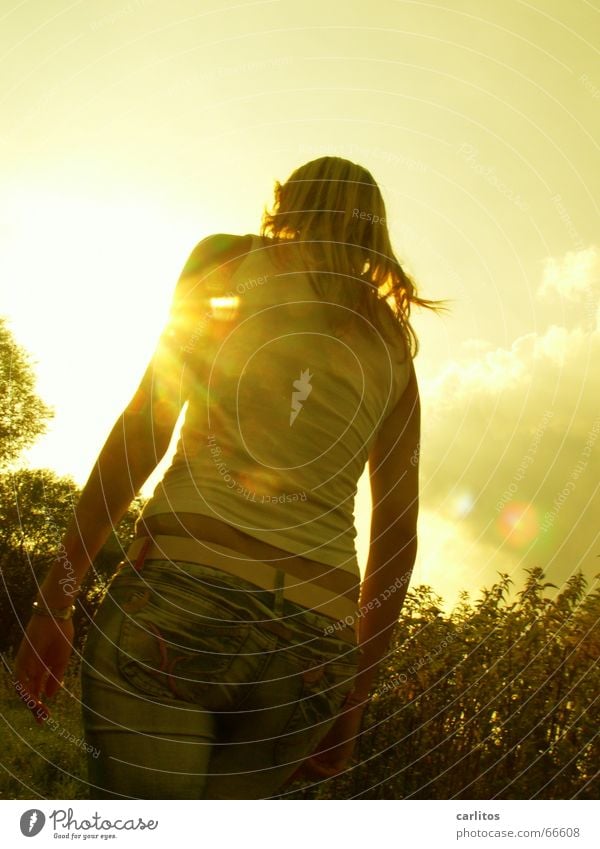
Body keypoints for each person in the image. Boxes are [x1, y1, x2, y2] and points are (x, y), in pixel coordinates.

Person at [14, 156, 439, 799]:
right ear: (374, 234)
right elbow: (398, 533)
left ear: (284, 206)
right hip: (311, 647)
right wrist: (353, 696)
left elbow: (147, 427)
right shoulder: (393, 347)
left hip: (183, 596)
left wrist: (58, 597)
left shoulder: (227, 262)